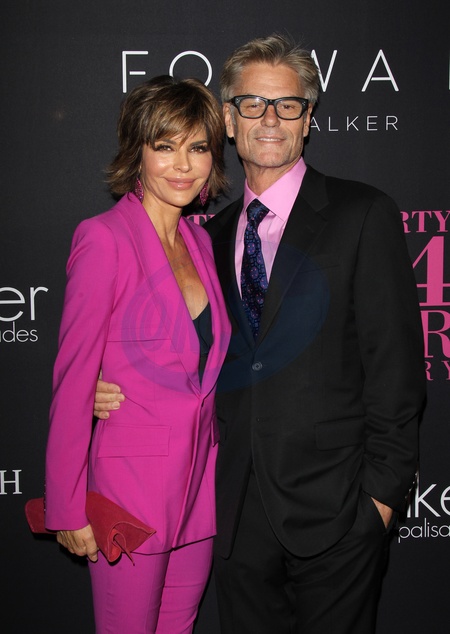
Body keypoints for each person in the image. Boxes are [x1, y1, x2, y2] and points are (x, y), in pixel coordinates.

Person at [94, 35, 426, 633]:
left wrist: (379, 502)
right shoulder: (204, 237)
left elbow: (397, 371)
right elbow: (179, 351)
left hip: (338, 512)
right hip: (231, 515)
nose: (270, 119)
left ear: (308, 119)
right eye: (253, 103)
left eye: (287, 105)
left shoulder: (363, 213)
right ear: (228, 119)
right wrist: (104, 386)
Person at [44, 75, 231, 634]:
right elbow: (73, 379)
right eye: (165, 145)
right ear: (137, 152)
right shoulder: (104, 239)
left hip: (197, 495)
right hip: (129, 495)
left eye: (198, 147)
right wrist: (66, 506)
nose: (183, 165)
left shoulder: (201, 241)